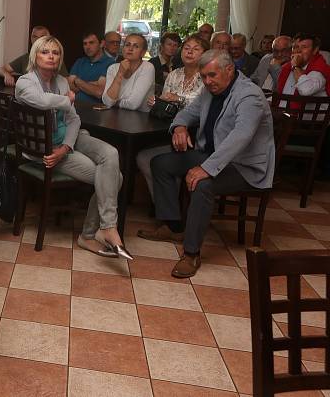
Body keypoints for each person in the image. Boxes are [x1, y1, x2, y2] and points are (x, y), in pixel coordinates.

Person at [138, 49, 275, 278]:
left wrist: (206, 169)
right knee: (160, 163)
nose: (207, 81)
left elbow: (241, 135)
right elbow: (189, 112)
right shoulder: (211, 89)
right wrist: (179, 127)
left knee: (202, 185)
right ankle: (174, 227)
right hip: (211, 155)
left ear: (229, 70)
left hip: (243, 166)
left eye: (212, 75)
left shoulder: (249, 96)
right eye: (203, 77)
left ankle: (191, 253)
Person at [14, 35, 131, 260]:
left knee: (111, 153)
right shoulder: (25, 82)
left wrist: (66, 147)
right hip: (44, 148)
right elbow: (40, 101)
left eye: (55, 53)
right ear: (35, 55)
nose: (51, 56)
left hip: (67, 141)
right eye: (45, 52)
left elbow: (74, 120)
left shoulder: (61, 82)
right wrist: (67, 100)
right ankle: (89, 234)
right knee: (114, 179)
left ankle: (107, 227)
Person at [136, 35, 208, 200]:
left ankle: (168, 206)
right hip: (167, 130)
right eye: (187, 48)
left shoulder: (207, 76)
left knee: (152, 159)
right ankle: (164, 204)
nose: (189, 52)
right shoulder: (174, 74)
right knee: (142, 155)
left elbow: (203, 106)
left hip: (194, 135)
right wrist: (156, 102)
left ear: (205, 54)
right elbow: (164, 104)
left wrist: (178, 98)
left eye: (195, 49)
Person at [102, 34, 155, 112]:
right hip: (114, 116)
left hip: (141, 118)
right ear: (123, 49)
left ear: (143, 52)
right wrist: (120, 73)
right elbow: (107, 101)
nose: (130, 49)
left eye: (136, 46)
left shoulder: (147, 67)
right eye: (127, 45)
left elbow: (133, 104)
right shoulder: (113, 68)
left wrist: (115, 103)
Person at [275, 33, 330, 105]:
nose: (298, 50)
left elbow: (305, 90)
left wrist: (296, 66)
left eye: (304, 47)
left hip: (304, 115)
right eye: (295, 47)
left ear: (315, 50)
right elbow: (281, 93)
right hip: (282, 112)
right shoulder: (286, 67)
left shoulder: (319, 70)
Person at [67, 32, 114, 104]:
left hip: (93, 110)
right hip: (72, 106)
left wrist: (77, 81)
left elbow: (99, 92)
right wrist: (93, 84)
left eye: (91, 43)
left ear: (102, 44)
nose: (87, 47)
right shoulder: (80, 61)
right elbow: (69, 86)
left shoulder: (110, 63)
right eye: (85, 44)